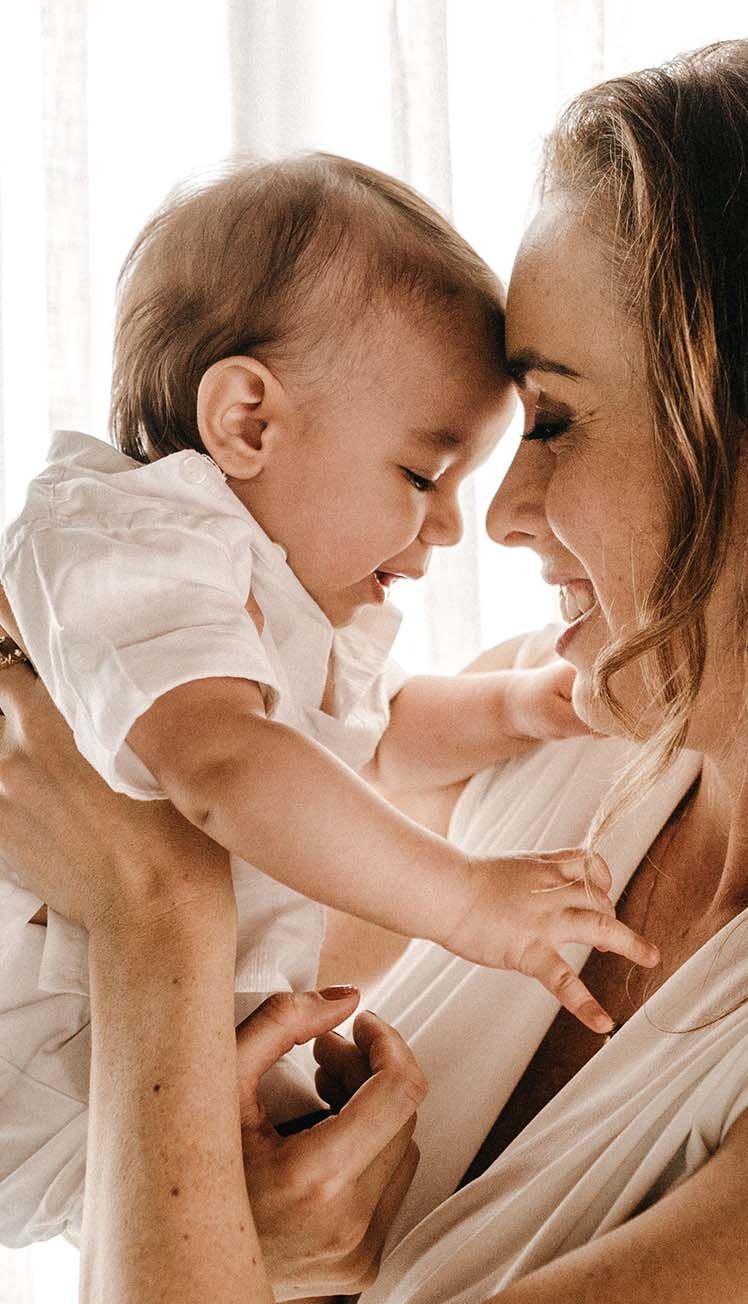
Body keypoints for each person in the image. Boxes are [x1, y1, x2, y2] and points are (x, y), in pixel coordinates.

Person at [4, 24, 748, 1302]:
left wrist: (154, 903)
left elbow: (172, 968)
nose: (499, 512)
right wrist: (267, 1243)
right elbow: (199, 1158)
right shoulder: (549, 745)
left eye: (555, 418)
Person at [0, 152, 656, 1250]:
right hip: (46, 1056)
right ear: (248, 420)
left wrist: (516, 707)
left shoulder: (264, 590)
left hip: (146, 1049)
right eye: (422, 474)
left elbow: (368, 743)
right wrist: (465, 900)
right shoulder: (130, 539)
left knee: (356, 1205)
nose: (457, 526)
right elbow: (223, 766)